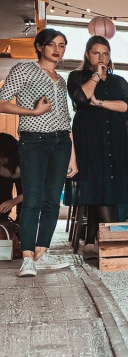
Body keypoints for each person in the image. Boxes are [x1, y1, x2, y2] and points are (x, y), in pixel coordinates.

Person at [0, 29, 74, 277]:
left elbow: (66, 119)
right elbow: (1, 101)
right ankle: (27, 258)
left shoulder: (60, 80)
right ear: (40, 47)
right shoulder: (24, 70)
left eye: (62, 45)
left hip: (61, 142)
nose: (57, 49)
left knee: (52, 199)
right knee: (32, 198)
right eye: (52, 44)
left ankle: (42, 253)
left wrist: (73, 155)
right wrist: (32, 112)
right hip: (34, 141)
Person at [66, 36, 128, 251]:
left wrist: (99, 102)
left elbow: (127, 107)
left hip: (115, 140)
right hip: (89, 139)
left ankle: (93, 241)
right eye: (96, 53)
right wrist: (97, 76)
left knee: (110, 189)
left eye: (105, 54)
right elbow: (81, 98)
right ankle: (111, 241)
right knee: (96, 185)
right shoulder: (76, 76)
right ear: (87, 54)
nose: (101, 57)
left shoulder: (119, 81)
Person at [0, 134, 22, 219]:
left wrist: (14, 201)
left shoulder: (26, 162)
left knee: (25, 208)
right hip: (3, 179)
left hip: (24, 181)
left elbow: (33, 191)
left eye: (2, 157)